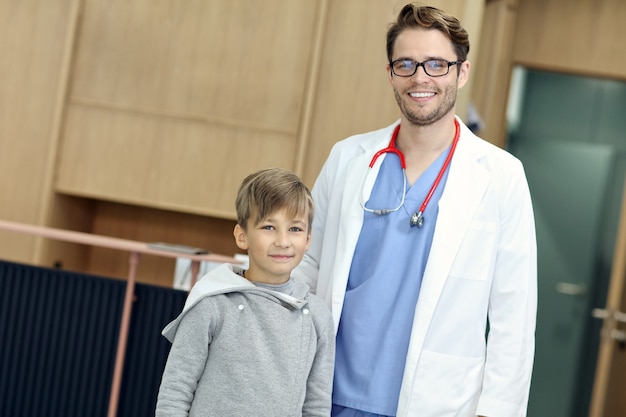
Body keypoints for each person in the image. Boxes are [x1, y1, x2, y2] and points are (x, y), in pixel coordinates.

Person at [293, 3, 537, 417]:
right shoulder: (349, 157)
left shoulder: (501, 176)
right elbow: (306, 267)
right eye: (405, 64)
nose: (420, 77)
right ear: (390, 73)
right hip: (329, 393)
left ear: (462, 72)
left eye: (436, 64)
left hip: (437, 399)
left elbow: (514, 313)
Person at [155, 168, 335, 417]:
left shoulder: (317, 317)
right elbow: (175, 393)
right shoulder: (212, 304)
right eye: (269, 227)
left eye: (295, 229)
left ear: (307, 239)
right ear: (242, 236)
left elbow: (316, 406)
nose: (283, 241)